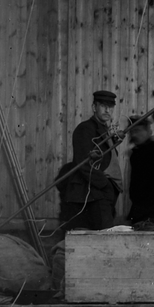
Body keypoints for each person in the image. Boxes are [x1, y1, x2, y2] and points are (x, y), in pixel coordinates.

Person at [60, 90, 123, 230]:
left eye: (111, 107)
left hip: (101, 194)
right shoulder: (85, 129)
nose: (108, 110)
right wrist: (105, 185)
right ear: (94, 107)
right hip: (93, 195)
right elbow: (83, 163)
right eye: (103, 106)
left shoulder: (104, 131)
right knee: (102, 237)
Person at [126, 115, 154, 227]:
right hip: (139, 208)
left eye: (137, 131)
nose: (134, 135)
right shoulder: (135, 154)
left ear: (148, 131)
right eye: (131, 132)